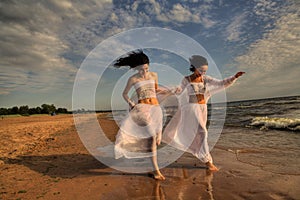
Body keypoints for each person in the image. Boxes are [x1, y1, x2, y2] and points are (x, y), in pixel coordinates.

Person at [163, 55, 245, 171]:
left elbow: (221, 83)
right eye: (201, 70)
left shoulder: (205, 79)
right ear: (194, 67)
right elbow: (180, 90)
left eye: (205, 71)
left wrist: (235, 77)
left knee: (200, 134)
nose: (203, 73)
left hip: (202, 109)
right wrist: (174, 90)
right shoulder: (187, 79)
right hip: (192, 109)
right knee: (203, 132)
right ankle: (208, 162)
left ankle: (202, 155)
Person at [113, 50, 166, 180]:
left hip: (156, 109)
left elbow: (156, 90)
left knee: (154, 139)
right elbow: (124, 94)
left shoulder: (154, 75)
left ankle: (151, 154)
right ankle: (155, 170)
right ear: (136, 69)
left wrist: (171, 90)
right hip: (142, 109)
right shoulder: (133, 79)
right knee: (152, 137)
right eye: (141, 70)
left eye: (146, 69)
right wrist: (131, 103)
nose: (144, 72)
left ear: (149, 66)